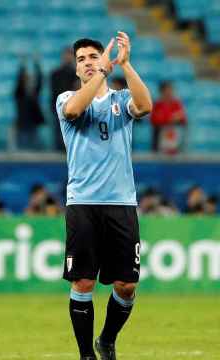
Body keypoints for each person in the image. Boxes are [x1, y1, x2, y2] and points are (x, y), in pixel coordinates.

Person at [56, 33, 152, 360]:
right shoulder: (66, 98)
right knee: (83, 283)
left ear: (103, 60)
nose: (87, 62)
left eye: (93, 57)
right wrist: (100, 75)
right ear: (77, 66)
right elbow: (73, 111)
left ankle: (107, 339)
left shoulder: (120, 101)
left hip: (121, 204)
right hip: (83, 204)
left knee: (126, 286)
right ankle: (86, 355)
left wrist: (124, 65)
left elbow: (145, 106)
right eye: (81, 59)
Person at [50, 48, 79, 151]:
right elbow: (53, 92)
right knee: (59, 131)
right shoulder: (55, 73)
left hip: (74, 107)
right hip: (59, 106)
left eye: (70, 55)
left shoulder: (78, 73)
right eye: (66, 54)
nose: (68, 57)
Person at [15, 59, 45, 151]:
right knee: (22, 150)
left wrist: (36, 64)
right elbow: (19, 81)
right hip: (22, 125)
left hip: (33, 125)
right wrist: (22, 66)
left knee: (34, 149)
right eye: (27, 79)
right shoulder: (19, 93)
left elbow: (40, 80)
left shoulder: (34, 93)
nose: (29, 81)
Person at [150, 81, 187, 154]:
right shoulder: (157, 105)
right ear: (162, 92)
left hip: (175, 135)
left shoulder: (176, 104)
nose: (169, 93)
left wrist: (170, 118)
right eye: (167, 90)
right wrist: (171, 118)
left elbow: (183, 119)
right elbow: (154, 119)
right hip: (160, 137)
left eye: (170, 90)